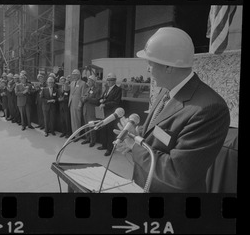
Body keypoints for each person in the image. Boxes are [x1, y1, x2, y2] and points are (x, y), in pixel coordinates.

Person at [115, 27, 230, 193]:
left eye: (150, 63)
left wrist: (135, 147)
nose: (147, 69)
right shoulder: (166, 90)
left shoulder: (209, 109)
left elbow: (178, 173)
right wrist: (137, 134)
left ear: (169, 67)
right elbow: (160, 133)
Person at [98, 72, 122, 156]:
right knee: (104, 129)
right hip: (105, 112)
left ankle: (110, 148)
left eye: (110, 80)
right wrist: (101, 100)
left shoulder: (118, 89)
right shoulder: (107, 89)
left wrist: (105, 104)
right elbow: (103, 97)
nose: (108, 81)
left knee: (110, 131)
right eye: (107, 80)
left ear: (114, 81)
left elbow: (116, 102)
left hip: (112, 113)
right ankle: (104, 145)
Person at [81, 75, 102, 147]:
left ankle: (93, 140)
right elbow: (83, 98)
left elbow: (97, 101)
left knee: (92, 126)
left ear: (93, 82)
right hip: (85, 110)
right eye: (88, 81)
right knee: (86, 125)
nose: (88, 82)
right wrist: (83, 99)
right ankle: (87, 138)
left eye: (90, 81)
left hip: (92, 110)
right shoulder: (86, 89)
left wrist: (88, 99)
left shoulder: (97, 89)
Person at [68, 69, 87, 137]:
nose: (74, 76)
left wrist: (80, 104)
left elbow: (83, 95)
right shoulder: (72, 82)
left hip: (77, 104)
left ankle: (77, 135)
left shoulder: (83, 83)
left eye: (76, 75)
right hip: (71, 103)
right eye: (73, 75)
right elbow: (70, 92)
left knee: (77, 120)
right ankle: (73, 134)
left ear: (79, 75)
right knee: (73, 119)